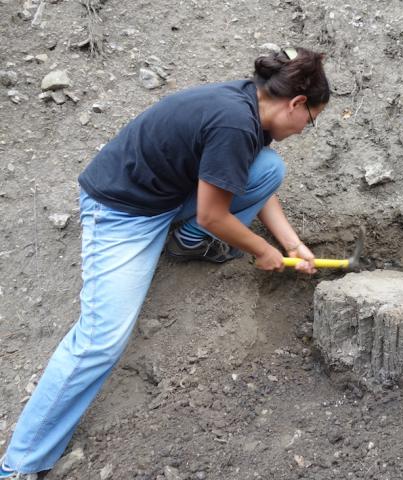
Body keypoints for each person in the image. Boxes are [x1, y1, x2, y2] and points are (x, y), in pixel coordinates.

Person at [0, 46, 330, 478]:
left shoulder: (249, 104)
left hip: (166, 194)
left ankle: (188, 243)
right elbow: (214, 213)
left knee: (267, 168)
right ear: (297, 103)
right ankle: (20, 464)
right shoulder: (234, 122)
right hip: (122, 211)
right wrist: (264, 251)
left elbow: (248, 184)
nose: (307, 129)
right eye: (312, 120)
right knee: (102, 340)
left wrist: (290, 243)